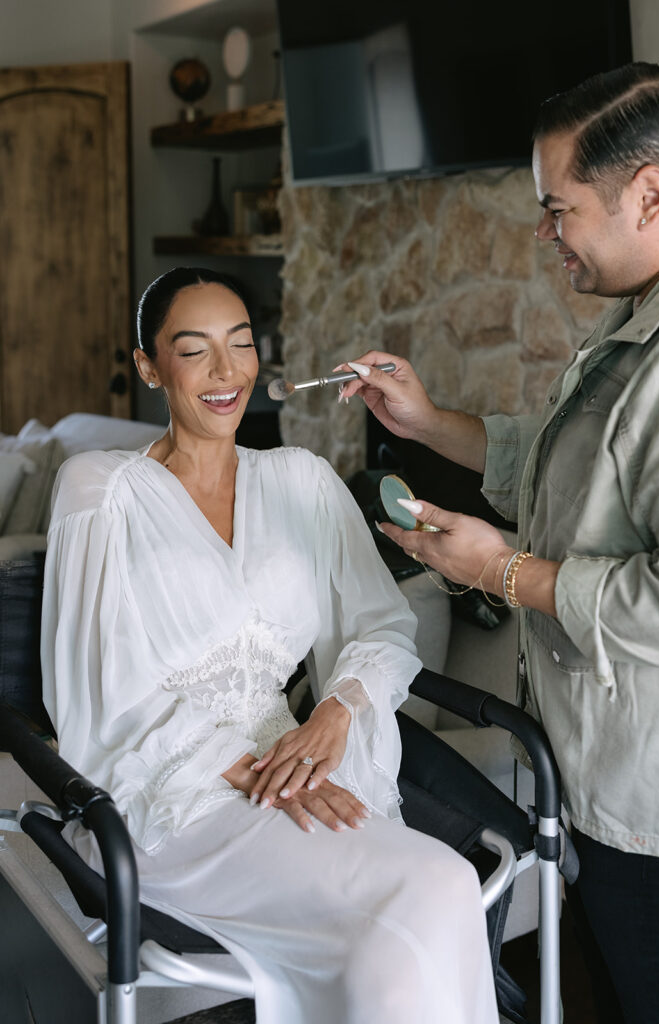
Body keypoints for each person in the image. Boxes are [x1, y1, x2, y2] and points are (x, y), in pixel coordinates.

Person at [339, 63, 659, 1024]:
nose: (545, 235)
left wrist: (504, 573)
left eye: (559, 210)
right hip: (608, 787)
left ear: (648, 192)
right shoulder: (652, 316)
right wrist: (429, 423)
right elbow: (580, 475)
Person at [40, 267, 497, 1024]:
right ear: (150, 365)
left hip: (304, 758)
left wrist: (336, 714)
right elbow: (103, 692)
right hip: (172, 792)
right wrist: (256, 772)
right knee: (438, 884)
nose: (226, 372)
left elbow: (380, 623)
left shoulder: (303, 481)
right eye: (195, 351)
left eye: (242, 344)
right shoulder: (100, 490)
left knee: (394, 933)